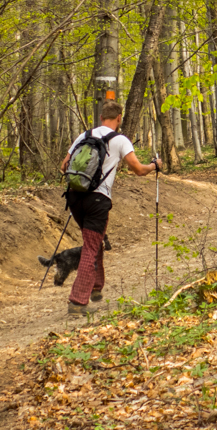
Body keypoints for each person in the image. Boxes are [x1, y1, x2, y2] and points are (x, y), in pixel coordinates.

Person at [59, 101, 159, 315]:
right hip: (98, 200)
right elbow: (139, 170)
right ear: (119, 118)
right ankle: (77, 302)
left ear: (102, 117)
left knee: (94, 241)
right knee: (91, 247)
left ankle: (96, 286)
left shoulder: (84, 136)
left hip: (75, 197)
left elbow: (64, 165)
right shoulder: (120, 140)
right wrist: (154, 166)